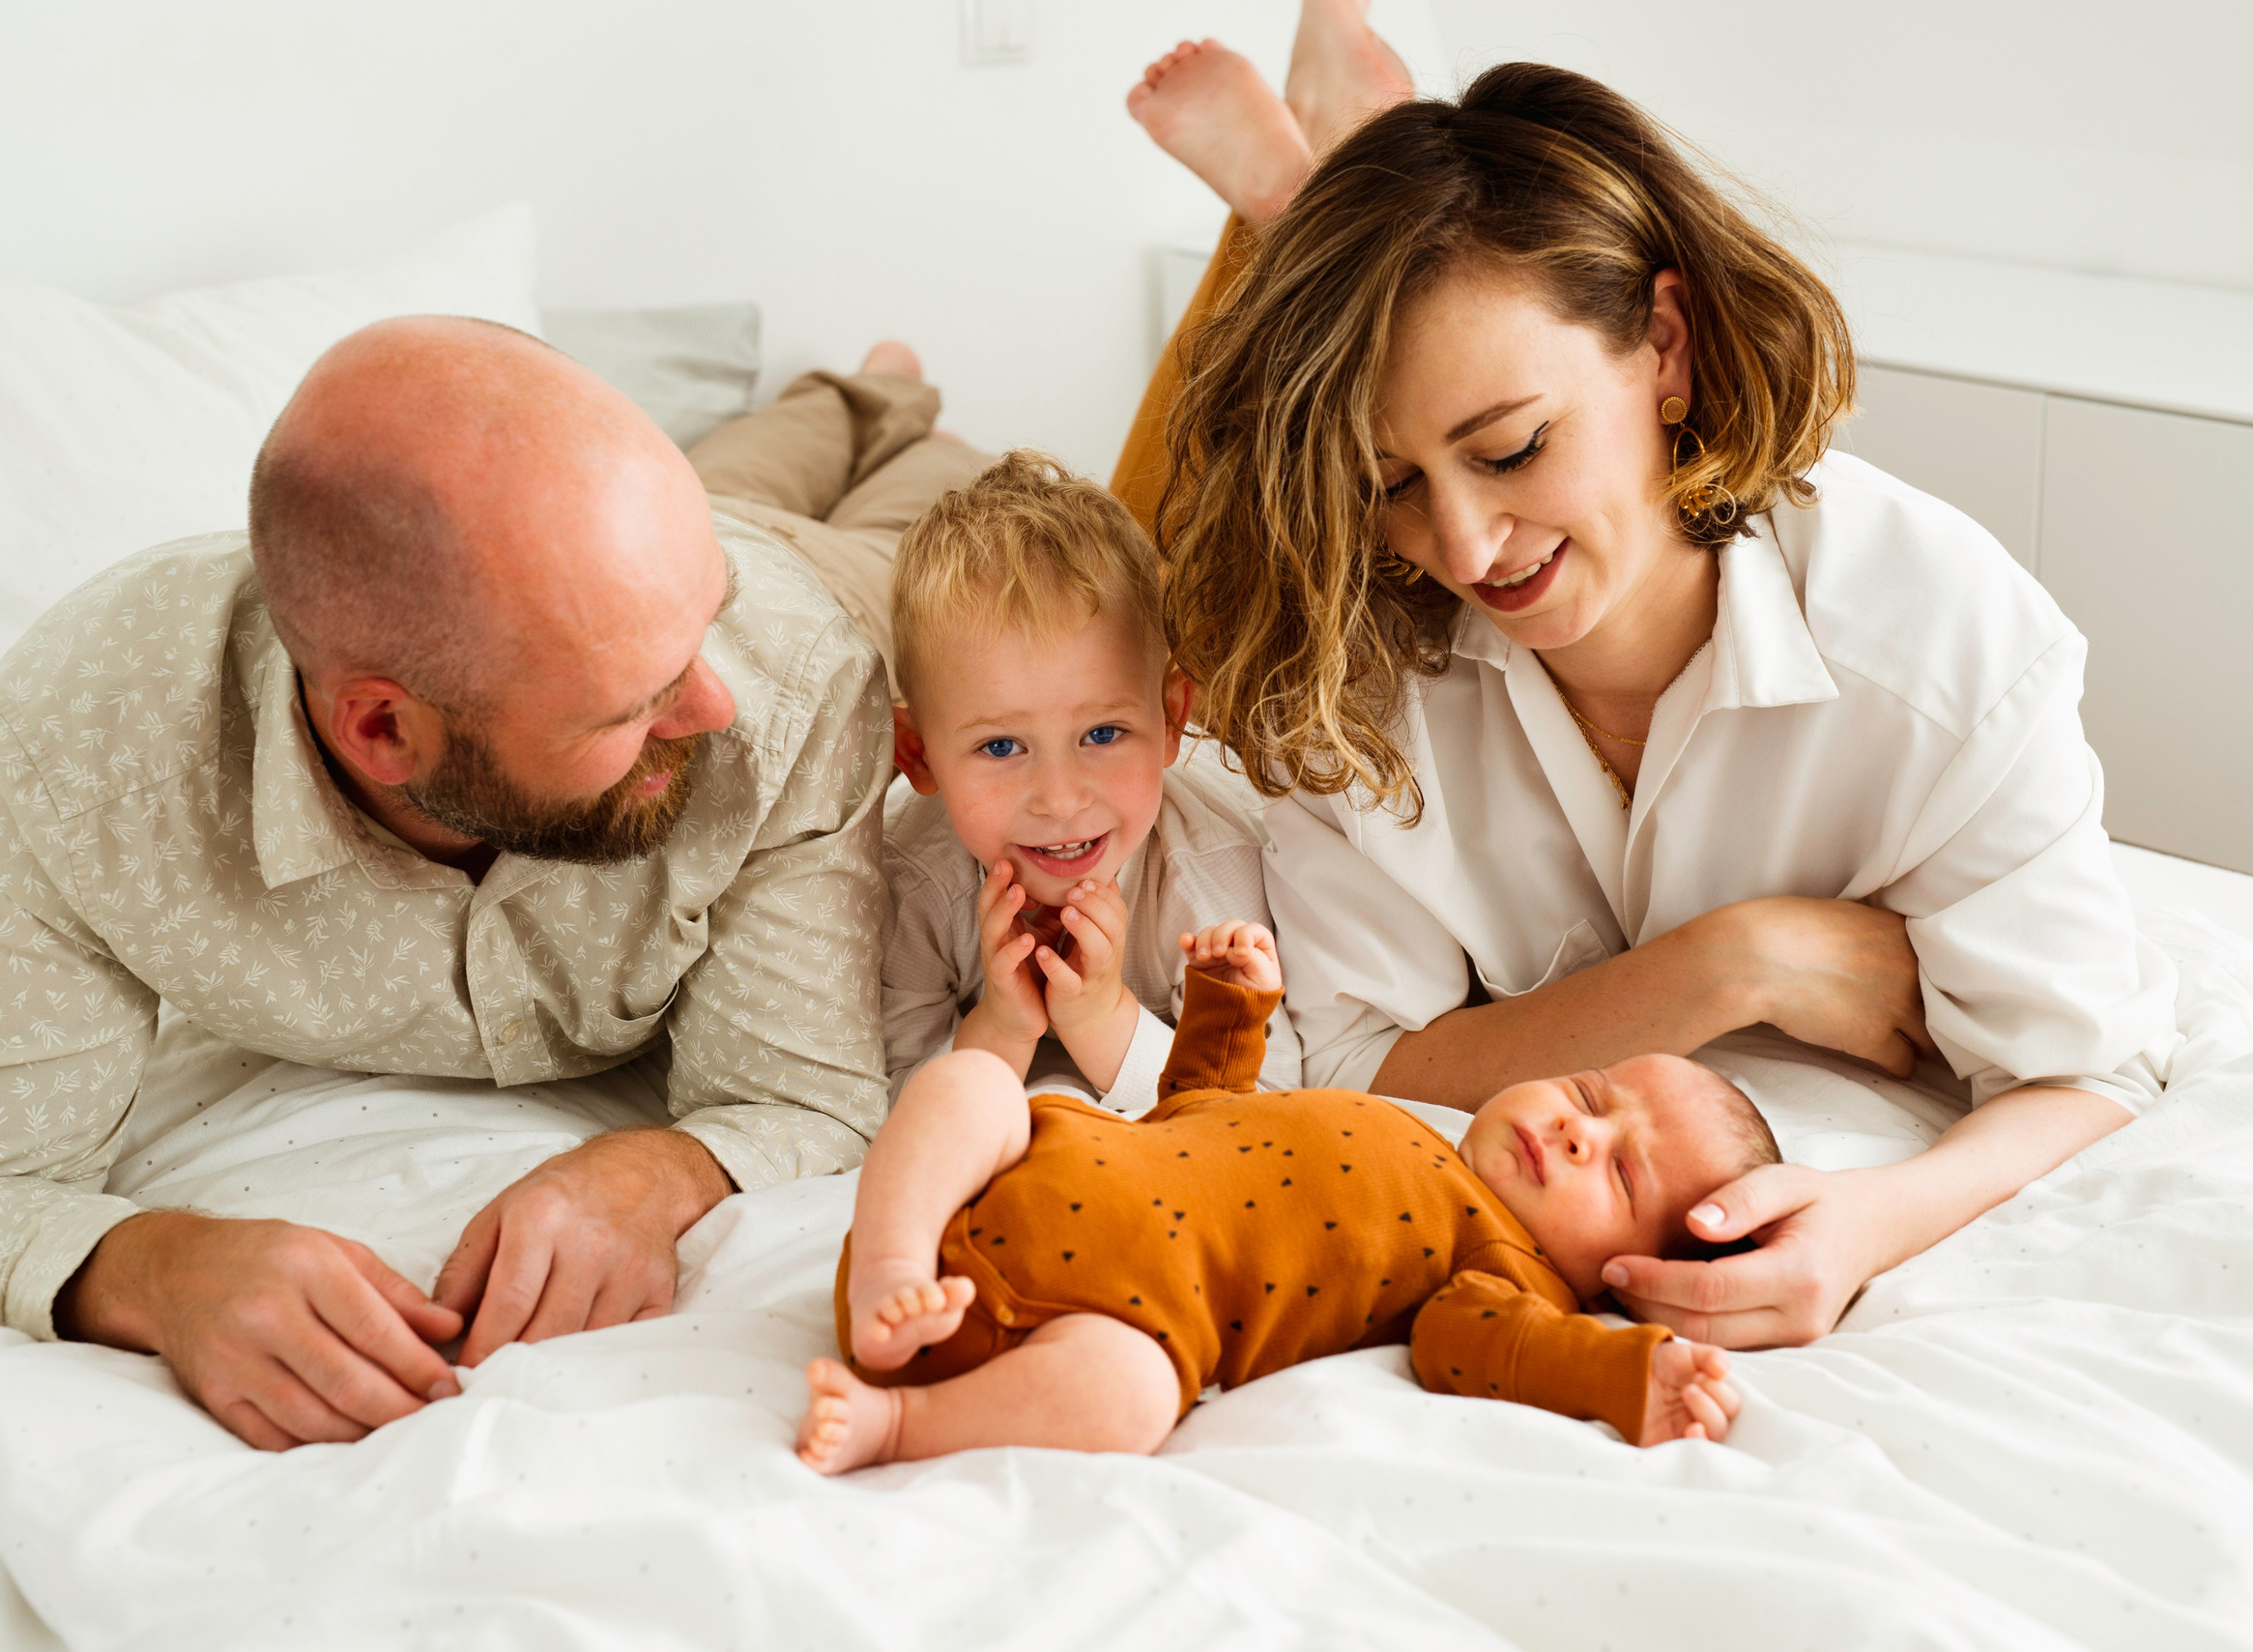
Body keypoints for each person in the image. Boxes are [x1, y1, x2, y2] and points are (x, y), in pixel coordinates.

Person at [1112, 6, 2180, 1349]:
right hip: (1194, 628)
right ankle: (1293, 196)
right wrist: (1744, 959)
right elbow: (1364, 1065)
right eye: (1392, 485)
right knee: (1113, 575)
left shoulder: (1937, 641)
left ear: (1664, 348)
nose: (1462, 545)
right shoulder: (1355, 644)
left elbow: (2086, 1062)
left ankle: (1316, 175)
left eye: (1510, 448)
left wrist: (1870, 1221)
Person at [0, 320, 984, 1450]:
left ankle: (873, 399)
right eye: (632, 707)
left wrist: (659, 1166)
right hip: (629, 578)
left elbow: (803, 1096)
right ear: (382, 727)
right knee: (756, 483)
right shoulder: (72, 758)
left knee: (920, 504)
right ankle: (854, 397)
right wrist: (159, 1265)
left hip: (796, 575)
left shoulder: (787, 680)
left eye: (695, 646)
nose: (711, 710)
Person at [795, 919, 1758, 1473]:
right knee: (975, 1084)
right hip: (1003, 1184)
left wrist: (1627, 1373)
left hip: (1094, 1324)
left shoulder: (1505, 1270)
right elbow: (1202, 1112)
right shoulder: (1409, 1124)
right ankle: (889, 1259)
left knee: (1131, 1400)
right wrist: (1226, 1003)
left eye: (1620, 1171)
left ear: (1628, 1271)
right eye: (1589, 1094)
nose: (1576, 1132)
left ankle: (896, 1425)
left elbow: (1478, 1349)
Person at [881, 449, 1297, 1116]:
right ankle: (882, 402)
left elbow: (1268, 1101)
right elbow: (879, 1103)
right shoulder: (909, 876)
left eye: (1102, 734)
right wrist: (1001, 1026)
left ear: (1171, 720)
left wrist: (1104, 1020)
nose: (1062, 799)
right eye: (1001, 745)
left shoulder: (1211, 873)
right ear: (918, 755)